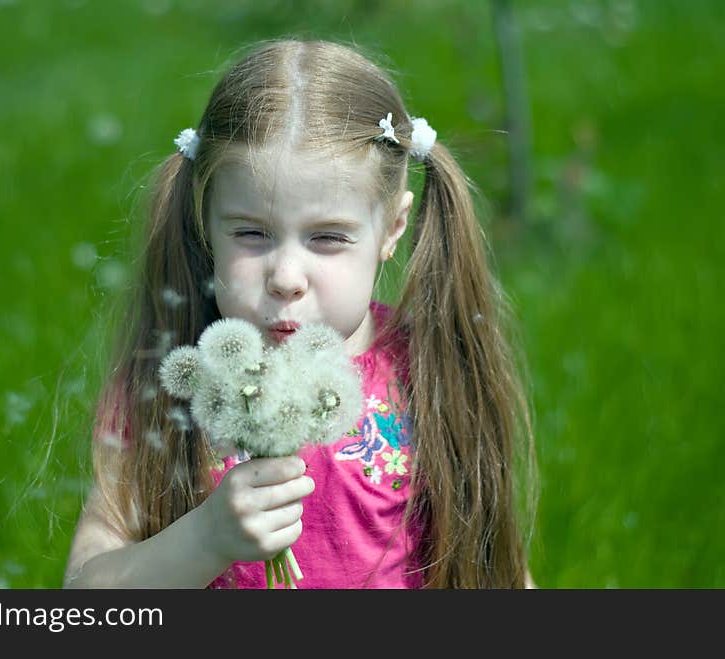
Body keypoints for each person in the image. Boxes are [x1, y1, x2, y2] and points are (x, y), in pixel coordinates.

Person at [64, 38, 537, 588]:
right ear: (205, 221)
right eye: (250, 233)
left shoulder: (427, 373)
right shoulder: (168, 382)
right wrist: (207, 538)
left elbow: (501, 575)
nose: (286, 277)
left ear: (392, 228)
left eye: (328, 238)